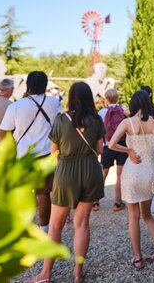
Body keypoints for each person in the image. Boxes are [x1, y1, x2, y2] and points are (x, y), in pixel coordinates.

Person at [29, 82, 105, 283]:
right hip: (90, 170)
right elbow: (99, 151)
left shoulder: (61, 120)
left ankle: (45, 274)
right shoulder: (97, 120)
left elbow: (54, 152)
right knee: (81, 224)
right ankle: (78, 273)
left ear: (71, 98)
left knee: (55, 226)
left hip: (66, 173)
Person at [108, 90, 154, 269]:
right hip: (150, 171)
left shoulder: (128, 123)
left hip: (132, 172)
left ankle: (138, 258)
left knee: (133, 216)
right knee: (148, 215)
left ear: (133, 104)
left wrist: (129, 151)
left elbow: (111, 144)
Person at [0, 71, 62, 232]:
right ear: (45, 84)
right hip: (47, 155)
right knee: (44, 194)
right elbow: (60, 126)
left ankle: (23, 227)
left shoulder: (15, 106)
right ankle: (44, 228)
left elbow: (4, 132)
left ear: (28, 85)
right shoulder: (54, 102)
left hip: (23, 156)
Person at [98, 88, 127, 212]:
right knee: (119, 175)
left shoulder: (102, 113)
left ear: (106, 99)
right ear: (117, 98)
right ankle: (117, 202)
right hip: (121, 145)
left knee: (103, 174)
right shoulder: (123, 110)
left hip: (107, 146)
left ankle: (95, 202)